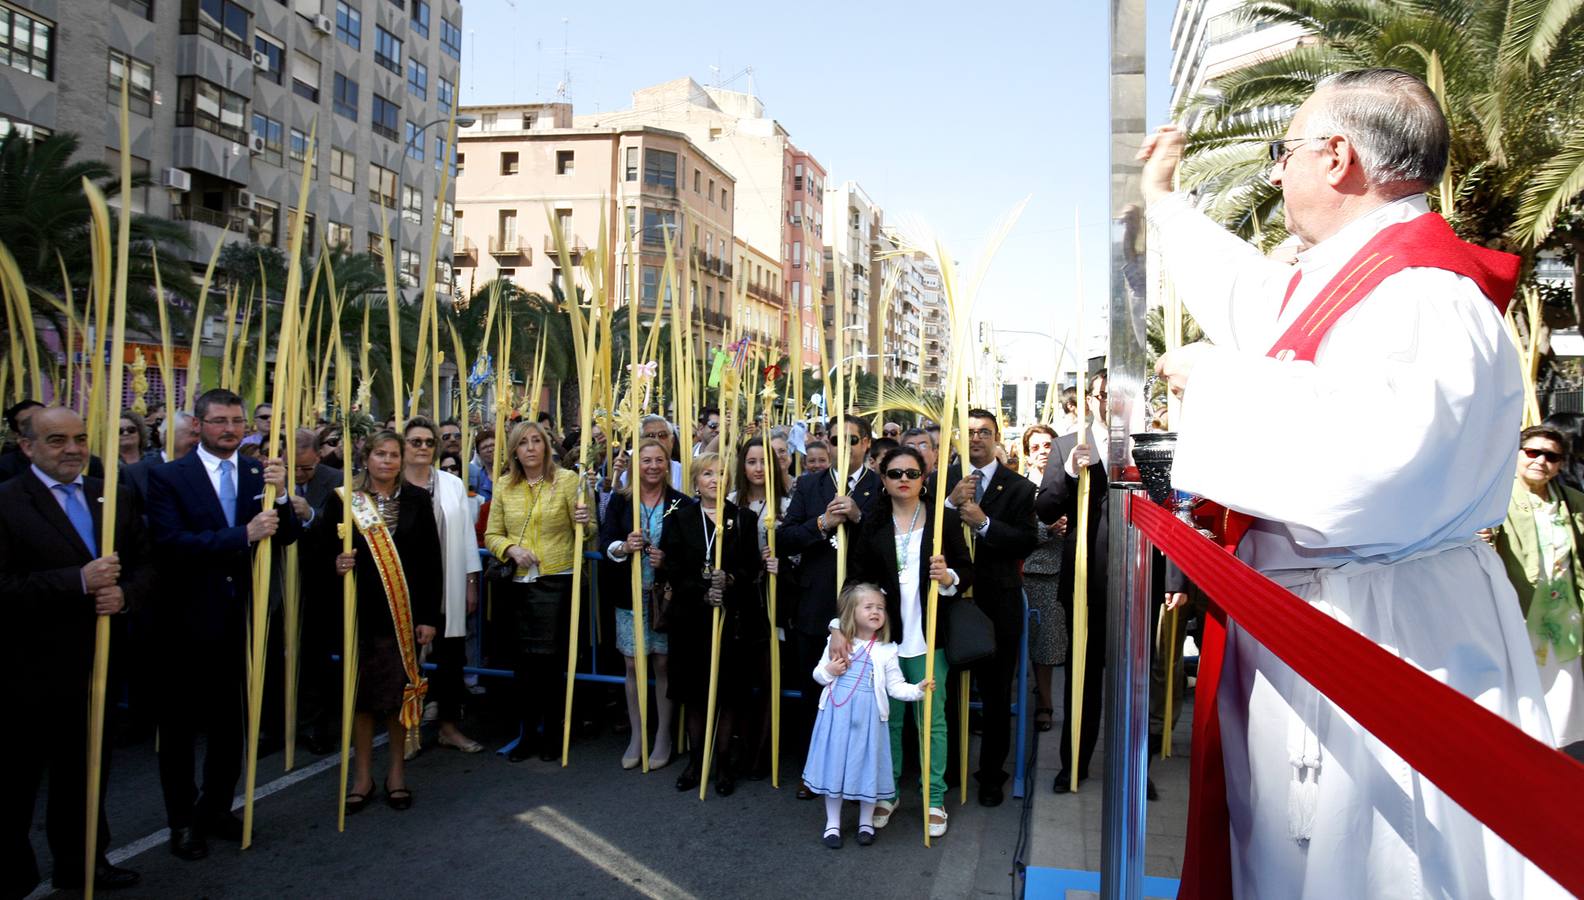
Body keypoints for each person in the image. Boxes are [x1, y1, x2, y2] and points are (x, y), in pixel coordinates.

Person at [1141, 68, 1548, 896]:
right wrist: (1166, 202)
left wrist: (1216, 381)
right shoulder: (1354, 276)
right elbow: (1249, 294)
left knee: (1374, 867)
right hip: (1323, 618)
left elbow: (1378, 464)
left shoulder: (1425, 292)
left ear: (1337, 156)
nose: (1275, 172)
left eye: (1281, 151)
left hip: (1385, 630)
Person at [145, 388, 299, 860]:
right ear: (198, 425)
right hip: (186, 622)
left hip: (244, 620)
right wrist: (241, 535)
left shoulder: (258, 472)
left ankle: (217, 806)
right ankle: (182, 820)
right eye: (218, 421)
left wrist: (285, 494)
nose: (229, 429)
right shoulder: (168, 477)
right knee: (178, 730)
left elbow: (287, 535)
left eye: (236, 420)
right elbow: (170, 543)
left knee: (233, 724)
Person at [0, 407, 149, 894]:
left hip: (97, 666)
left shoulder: (114, 497)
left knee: (84, 774)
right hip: (27, 671)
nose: (72, 449)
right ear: (27, 447)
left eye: (80, 438)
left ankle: (83, 861)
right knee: (17, 781)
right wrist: (76, 582)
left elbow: (148, 566)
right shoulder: (6, 502)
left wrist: (126, 594)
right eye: (57, 440)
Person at [842, 446, 972, 837]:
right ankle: (888, 791)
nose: (904, 479)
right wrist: (842, 625)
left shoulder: (941, 521)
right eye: (895, 473)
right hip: (886, 640)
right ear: (883, 480)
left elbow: (966, 569)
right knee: (889, 720)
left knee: (932, 720)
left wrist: (948, 577)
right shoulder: (874, 524)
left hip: (931, 635)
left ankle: (934, 798)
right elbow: (856, 578)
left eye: (912, 473)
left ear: (924, 478)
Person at [316, 431, 442, 813]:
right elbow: (318, 552)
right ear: (366, 457)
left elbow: (430, 564)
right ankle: (362, 776)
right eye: (380, 454)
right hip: (360, 613)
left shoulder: (418, 500)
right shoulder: (343, 501)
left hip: (403, 615)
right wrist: (334, 565)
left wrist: (429, 618)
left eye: (393, 455)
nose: (387, 461)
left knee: (398, 698)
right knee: (363, 700)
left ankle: (397, 774)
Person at [777, 415, 881, 800]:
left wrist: (857, 517)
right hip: (815, 604)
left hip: (862, 607)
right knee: (814, 692)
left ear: (866, 444)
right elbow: (785, 538)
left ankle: (856, 775)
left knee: (861, 696)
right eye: (837, 439)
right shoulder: (809, 484)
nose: (844, 446)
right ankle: (812, 770)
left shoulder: (879, 486)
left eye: (853, 439)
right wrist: (821, 523)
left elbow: (886, 542)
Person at [941, 409, 1039, 807]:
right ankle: (947, 768)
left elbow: (1026, 540)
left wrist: (984, 523)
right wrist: (950, 505)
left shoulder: (1017, 487)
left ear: (997, 437)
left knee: (997, 693)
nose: (976, 438)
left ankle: (992, 775)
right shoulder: (943, 482)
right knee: (946, 689)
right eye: (969, 433)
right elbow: (926, 529)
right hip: (950, 599)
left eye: (984, 432)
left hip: (997, 601)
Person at [485, 420, 589, 762]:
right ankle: (527, 733)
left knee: (551, 663)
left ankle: (554, 733)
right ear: (514, 450)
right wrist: (511, 549)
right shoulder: (503, 485)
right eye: (523, 442)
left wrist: (584, 522)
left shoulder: (568, 481)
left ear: (546, 446)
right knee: (523, 664)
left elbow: (588, 535)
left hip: (557, 579)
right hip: (517, 584)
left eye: (536, 441)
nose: (531, 447)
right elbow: (492, 535)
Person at [658, 453, 762, 795]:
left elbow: (752, 567)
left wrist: (729, 579)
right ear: (695, 480)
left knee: (728, 693)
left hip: (731, 620)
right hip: (691, 618)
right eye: (706, 474)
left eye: (720, 474)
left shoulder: (743, 519)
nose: (714, 480)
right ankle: (696, 760)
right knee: (695, 694)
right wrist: (702, 592)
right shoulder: (679, 518)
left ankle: (724, 761)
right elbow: (671, 565)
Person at [803, 583, 933, 849]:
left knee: (867, 768)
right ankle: (833, 823)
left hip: (870, 721)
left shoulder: (887, 650)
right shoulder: (836, 641)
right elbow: (818, 675)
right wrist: (830, 670)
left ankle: (865, 821)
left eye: (881, 608)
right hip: (836, 718)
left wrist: (918, 690)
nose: (876, 612)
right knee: (835, 767)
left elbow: (895, 687)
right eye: (869, 607)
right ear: (852, 612)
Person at [1037, 370, 1111, 794]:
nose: (1108, 401)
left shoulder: (1148, 442)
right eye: (1101, 394)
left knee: (1136, 680)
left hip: (1138, 578)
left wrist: (1172, 578)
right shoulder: (1069, 445)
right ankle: (1074, 763)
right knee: (1083, 677)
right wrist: (1067, 470)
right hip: (1086, 577)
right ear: (1089, 398)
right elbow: (1045, 508)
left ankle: (1137, 767)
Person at [1491, 426, 1584, 748]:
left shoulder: (1572, 501)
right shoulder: (1496, 498)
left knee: (1564, 692)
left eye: (1551, 456)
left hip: (1565, 615)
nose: (1541, 461)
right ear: (1517, 454)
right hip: (1521, 610)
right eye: (1533, 452)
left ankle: (1557, 755)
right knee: (1524, 688)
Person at [599, 439, 685, 769]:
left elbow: (687, 550)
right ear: (636, 466)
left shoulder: (680, 502)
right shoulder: (621, 501)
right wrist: (624, 546)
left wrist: (668, 559)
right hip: (629, 594)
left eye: (658, 460)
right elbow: (606, 540)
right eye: (645, 460)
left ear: (667, 464)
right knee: (633, 665)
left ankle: (663, 734)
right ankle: (637, 733)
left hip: (664, 597)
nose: (651, 466)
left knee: (663, 664)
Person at [402, 417, 485, 757]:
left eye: (428, 442)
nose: (422, 447)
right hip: (404, 585)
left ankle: (449, 727)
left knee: (451, 659)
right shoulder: (390, 484)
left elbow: (467, 535)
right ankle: (405, 732)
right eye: (415, 441)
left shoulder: (451, 484)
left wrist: (469, 582)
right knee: (405, 661)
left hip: (448, 583)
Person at [728, 435, 790, 777]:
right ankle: (739, 743)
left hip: (774, 601)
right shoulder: (729, 503)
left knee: (769, 677)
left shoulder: (789, 504)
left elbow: (797, 548)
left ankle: (764, 751)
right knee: (740, 679)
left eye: (763, 461)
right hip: (741, 603)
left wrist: (782, 559)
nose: (757, 469)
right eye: (751, 462)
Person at [290, 427, 345, 756]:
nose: (298, 474)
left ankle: (319, 725)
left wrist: (309, 514)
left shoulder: (335, 479)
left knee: (318, 659)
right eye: (293, 467)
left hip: (321, 580)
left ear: (318, 456)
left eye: (306, 468)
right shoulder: (272, 477)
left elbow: (340, 525)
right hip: (283, 580)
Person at [1020, 424, 1066, 734]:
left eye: (1048, 445)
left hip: (1066, 570)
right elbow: (1011, 533)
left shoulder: (1069, 484)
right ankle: (1042, 702)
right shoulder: (1020, 490)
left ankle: (1045, 698)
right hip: (1034, 574)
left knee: (1053, 643)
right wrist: (1045, 530)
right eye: (1035, 447)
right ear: (1026, 456)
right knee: (1038, 643)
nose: (1042, 452)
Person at [469, 428, 496, 501]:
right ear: (478, 453)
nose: (490, 449)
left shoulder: (510, 473)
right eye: (484, 447)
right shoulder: (476, 478)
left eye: (492, 445)